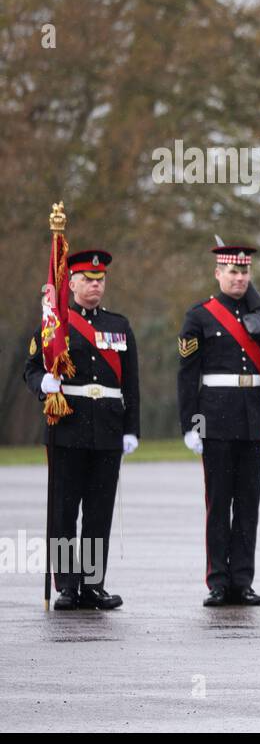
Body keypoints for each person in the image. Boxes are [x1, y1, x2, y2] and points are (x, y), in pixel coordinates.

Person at [177, 244, 260, 606]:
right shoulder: (200, 316)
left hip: (254, 420)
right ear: (218, 274)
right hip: (215, 419)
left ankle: (242, 581)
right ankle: (218, 580)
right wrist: (190, 424)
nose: (239, 278)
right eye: (232, 272)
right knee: (219, 503)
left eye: (244, 272)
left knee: (248, 505)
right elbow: (187, 375)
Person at [23, 249, 138, 610]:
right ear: (70, 283)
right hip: (68, 425)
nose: (94, 286)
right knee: (63, 511)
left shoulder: (119, 326)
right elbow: (31, 368)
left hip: (106, 428)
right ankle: (67, 585)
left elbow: (131, 383)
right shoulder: (56, 324)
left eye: (100, 280)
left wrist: (131, 428)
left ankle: (92, 584)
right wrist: (44, 384)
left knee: (99, 511)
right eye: (87, 280)